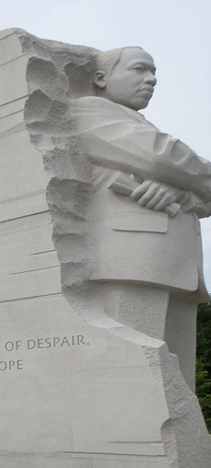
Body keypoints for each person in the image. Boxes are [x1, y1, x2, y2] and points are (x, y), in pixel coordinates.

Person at [69, 46, 211, 391]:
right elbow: (162, 156)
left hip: (174, 265)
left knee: (177, 385)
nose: (151, 80)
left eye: (154, 73)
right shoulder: (87, 110)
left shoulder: (138, 122)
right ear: (101, 78)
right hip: (133, 260)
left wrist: (181, 192)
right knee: (132, 379)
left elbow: (200, 199)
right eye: (139, 70)